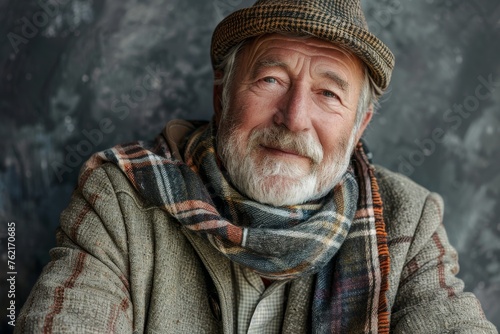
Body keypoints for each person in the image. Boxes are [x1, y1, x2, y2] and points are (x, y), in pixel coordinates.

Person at [15, 0, 497, 333]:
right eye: (270, 79)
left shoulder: (408, 222)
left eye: (328, 93)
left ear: (360, 125)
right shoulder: (120, 197)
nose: (294, 119)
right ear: (221, 95)